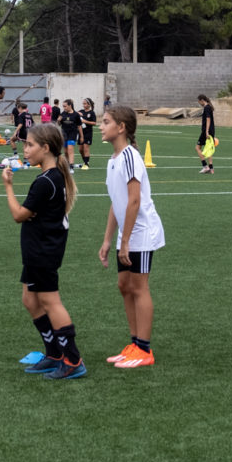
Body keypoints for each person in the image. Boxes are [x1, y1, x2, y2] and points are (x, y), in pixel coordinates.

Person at [3, 123, 84, 380]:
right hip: (36, 250)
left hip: (43, 252)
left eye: (30, 145)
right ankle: (54, 353)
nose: (25, 150)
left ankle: (72, 359)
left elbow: (18, 215)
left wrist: (8, 186)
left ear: (45, 148)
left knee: (50, 301)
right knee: (29, 299)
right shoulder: (51, 178)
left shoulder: (46, 181)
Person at [99, 105, 165, 369]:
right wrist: (108, 240)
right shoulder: (113, 160)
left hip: (140, 232)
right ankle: (135, 344)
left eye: (105, 122)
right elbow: (117, 202)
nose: (100, 126)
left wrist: (125, 241)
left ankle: (145, 350)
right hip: (127, 232)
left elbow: (135, 201)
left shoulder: (130, 156)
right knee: (124, 286)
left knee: (139, 287)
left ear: (121, 127)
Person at [195, 94, 217, 174]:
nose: (199, 103)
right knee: (209, 149)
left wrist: (206, 131)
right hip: (211, 131)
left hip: (206, 131)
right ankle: (211, 168)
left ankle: (205, 166)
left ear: (202, 100)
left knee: (197, 148)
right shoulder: (209, 107)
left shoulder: (207, 108)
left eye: (199, 102)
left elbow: (208, 119)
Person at [57, 99, 81, 168]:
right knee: (66, 151)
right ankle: (67, 164)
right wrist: (58, 121)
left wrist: (81, 136)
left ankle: (71, 166)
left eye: (65, 106)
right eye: (63, 106)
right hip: (64, 134)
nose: (64, 108)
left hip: (72, 134)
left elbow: (79, 126)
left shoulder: (76, 115)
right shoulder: (63, 114)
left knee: (70, 149)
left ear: (70, 106)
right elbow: (58, 124)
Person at [77, 98, 97, 168]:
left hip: (88, 132)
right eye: (83, 103)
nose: (84, 105)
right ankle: (85, 161)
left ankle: (86, 164)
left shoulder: (91, 113)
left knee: (86, 148)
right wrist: (76, 113)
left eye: (85, 103)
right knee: (80, 149)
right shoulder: (81, 111)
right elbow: (74, 115)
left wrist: (85, 121)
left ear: (89, 104)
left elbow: (94, 123)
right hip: (80, 132)